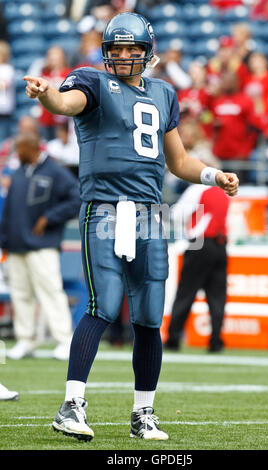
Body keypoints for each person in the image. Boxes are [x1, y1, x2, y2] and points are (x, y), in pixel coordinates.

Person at [23, 12, 239, 442]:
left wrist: (215, 175)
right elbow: (66, 104)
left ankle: (144, 414)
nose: (123, 57)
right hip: (105, 207)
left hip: (149, 213)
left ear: (146, 52)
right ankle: (71, 404)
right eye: (116, 50)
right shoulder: (92, 82)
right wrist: (48, 96)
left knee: (146, 317)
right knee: (104, 304)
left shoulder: (163, 94)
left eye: (131, 49)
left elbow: (178, 162)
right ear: (106, 54)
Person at [0, 132, 81, 361]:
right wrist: (4, 241)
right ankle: (26, 341)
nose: (18, 153)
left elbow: (76, 199)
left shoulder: (55, 172)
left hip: (43, 245)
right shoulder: (17, 174)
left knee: (51, 292)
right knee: (20, 294)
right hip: (16, 245)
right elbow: (8, 211)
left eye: (20, 149)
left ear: (32, 147)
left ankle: (65, 340)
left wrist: (50, 217)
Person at [165, 184, 229, 353]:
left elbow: (177, 215)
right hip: (221, 244)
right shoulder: (222, 191)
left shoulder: (197, 189)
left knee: (186, 293)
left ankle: (173, 338)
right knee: (217, 297)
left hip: (200, 244)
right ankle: (216, 341)